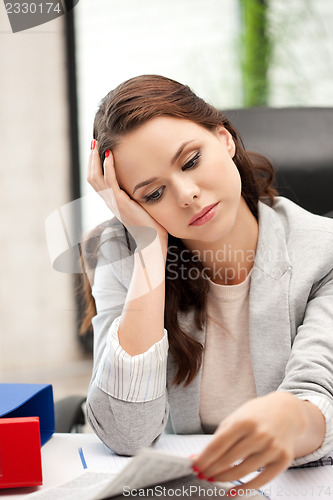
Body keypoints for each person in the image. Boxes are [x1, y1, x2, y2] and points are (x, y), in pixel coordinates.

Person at [83, 74, 333, 493]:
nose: (186, 195)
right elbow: (126, 434)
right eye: (153, 193)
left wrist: (294, 418)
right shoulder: (120, 251)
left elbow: (321, 395)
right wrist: (148, 253)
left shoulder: (323, 253)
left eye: (191, 161)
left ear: (224, 139)